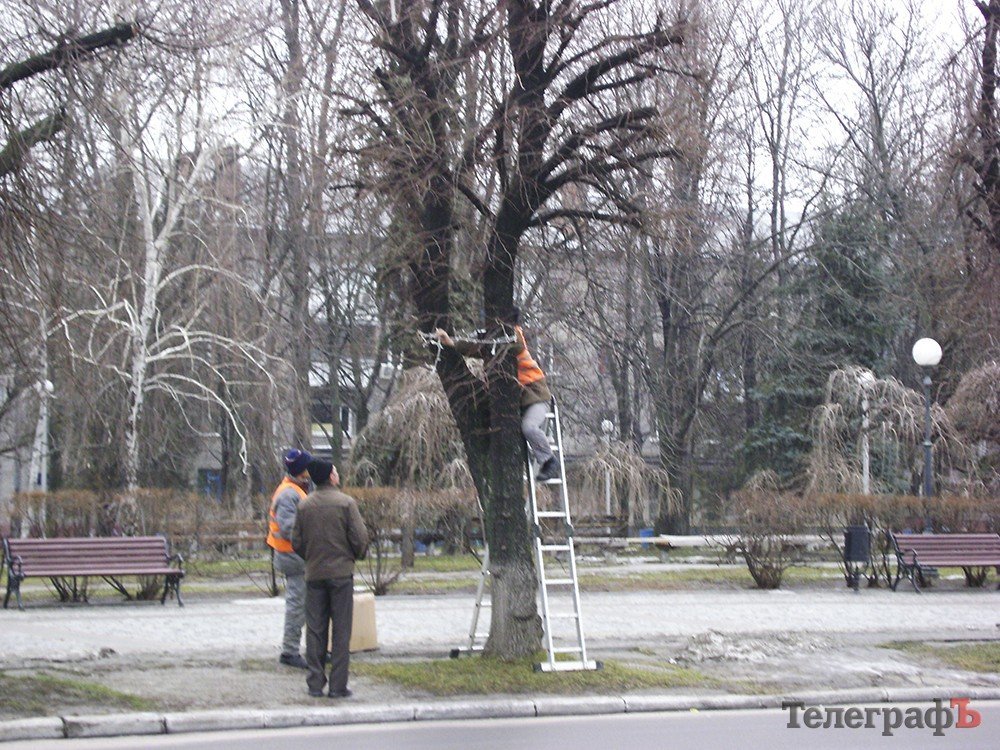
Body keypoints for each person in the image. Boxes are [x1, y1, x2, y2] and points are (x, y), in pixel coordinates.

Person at [433, 306, 560, 482]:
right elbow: (478, 348)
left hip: (535, 395)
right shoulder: (496, 341)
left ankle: (550, 461)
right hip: (518, 400)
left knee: (529, 427)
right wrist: (452, 343)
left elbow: (495, 347)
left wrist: (475, 341)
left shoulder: (513, 337)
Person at [292, 458, 369, 699]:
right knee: (341, 630)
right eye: (335, 471)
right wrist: (353, 556)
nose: (337, 474)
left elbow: (296, 542)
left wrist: (312, 557)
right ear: (331, 477)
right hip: (341, 575)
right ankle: (338, 686)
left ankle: (315, 683)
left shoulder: (304, 506)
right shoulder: (346, 503)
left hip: (314, 575)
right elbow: (360, 538)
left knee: (315, 629)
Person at [266, 448, 312, 669]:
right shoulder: (289, 494)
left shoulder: (293, 490)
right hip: (293, 557)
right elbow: (288, 528)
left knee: (306, 603)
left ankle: (309, 648)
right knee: (297, 604)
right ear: (300, 470)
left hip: (293, 555)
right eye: (307, 467)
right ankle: (290, 651)